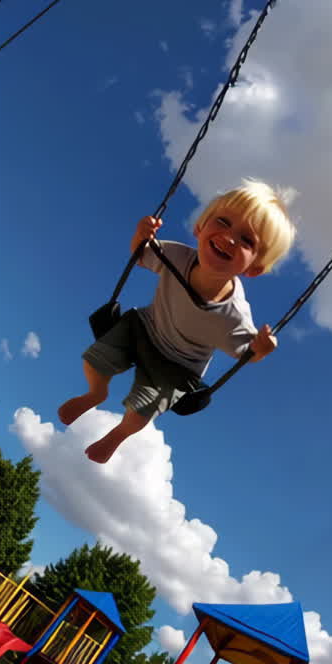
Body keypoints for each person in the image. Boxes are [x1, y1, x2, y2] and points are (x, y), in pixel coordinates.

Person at [59, 178, 297, 463]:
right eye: (222, 222)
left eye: (247, 240)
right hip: (144, 327)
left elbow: (247, 353)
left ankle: (117, 435)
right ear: (200, 227)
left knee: (141, 411)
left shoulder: (234, 314)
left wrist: (261, 348)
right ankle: (95, 394)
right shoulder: (178, 255)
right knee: (94, 361)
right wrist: (141, 234)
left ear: (254, 269)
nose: (230, 238)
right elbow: (141, 255)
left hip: (178, 367)